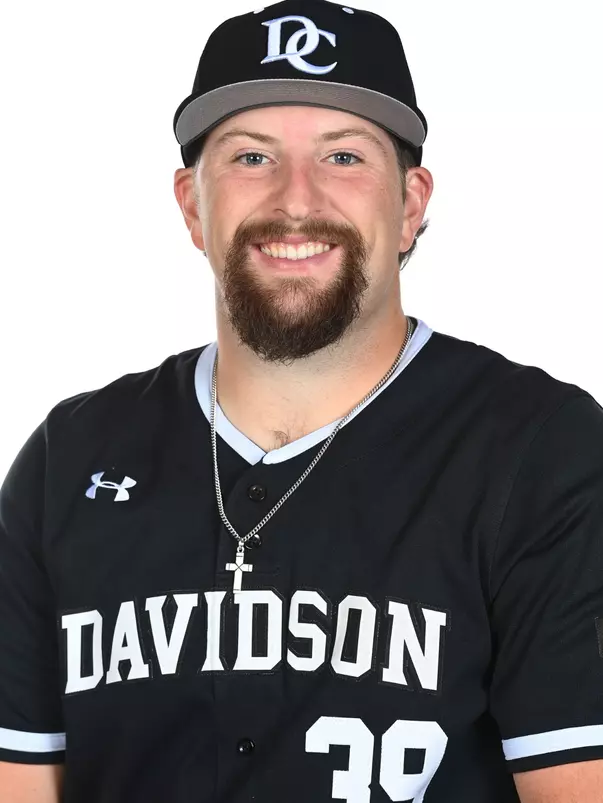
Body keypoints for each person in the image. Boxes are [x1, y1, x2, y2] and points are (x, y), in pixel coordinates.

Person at [1, 0, 603, 800]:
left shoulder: (538, 448)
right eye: (250, 157)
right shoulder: (71, 454)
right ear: (191, 204)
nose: (295, 199)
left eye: (344, 157)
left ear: (411, 205)